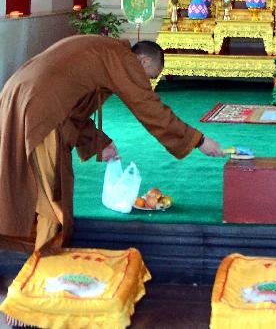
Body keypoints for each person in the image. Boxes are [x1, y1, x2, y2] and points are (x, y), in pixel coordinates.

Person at [0, 36, 223, 255]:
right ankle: (44, 261)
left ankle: (31, 249)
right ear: (143, 61)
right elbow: (149, 108)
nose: (146, 83)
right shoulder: (122, 59)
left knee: (28, 180)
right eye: (148, 77)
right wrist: (198, 140)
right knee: (53, 188)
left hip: (18, 97)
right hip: (40, 108)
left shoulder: (104, 51)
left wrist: (99, 143)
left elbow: (71, 109)